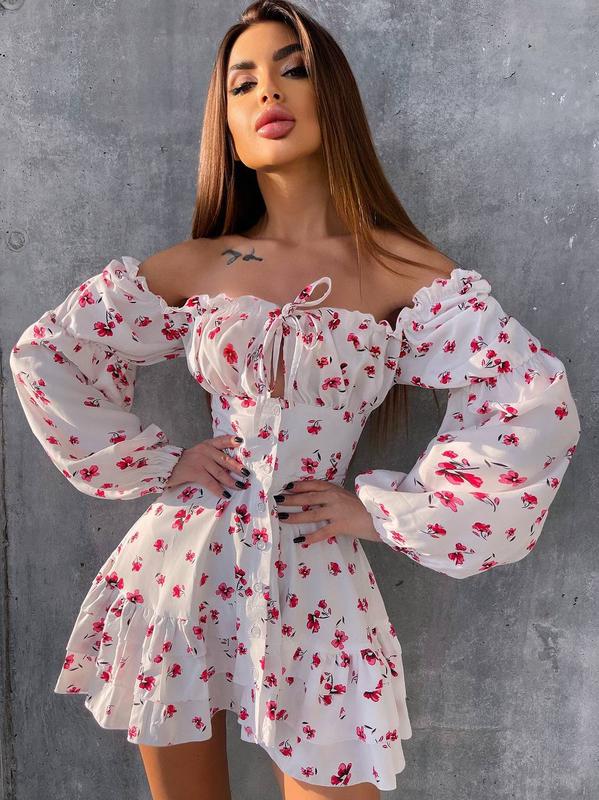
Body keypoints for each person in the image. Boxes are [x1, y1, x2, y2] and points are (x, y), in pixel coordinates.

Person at [9, 2, 581, 798]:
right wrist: (163, 463)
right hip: (184, 561)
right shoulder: (202, 262)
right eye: (242, 83)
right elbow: (50, 353)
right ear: (226, 123)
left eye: (292, 70)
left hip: (317, 572)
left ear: (331, 96)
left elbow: (525, 396)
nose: (267, 93)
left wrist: (381, 513)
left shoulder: (397, 267)